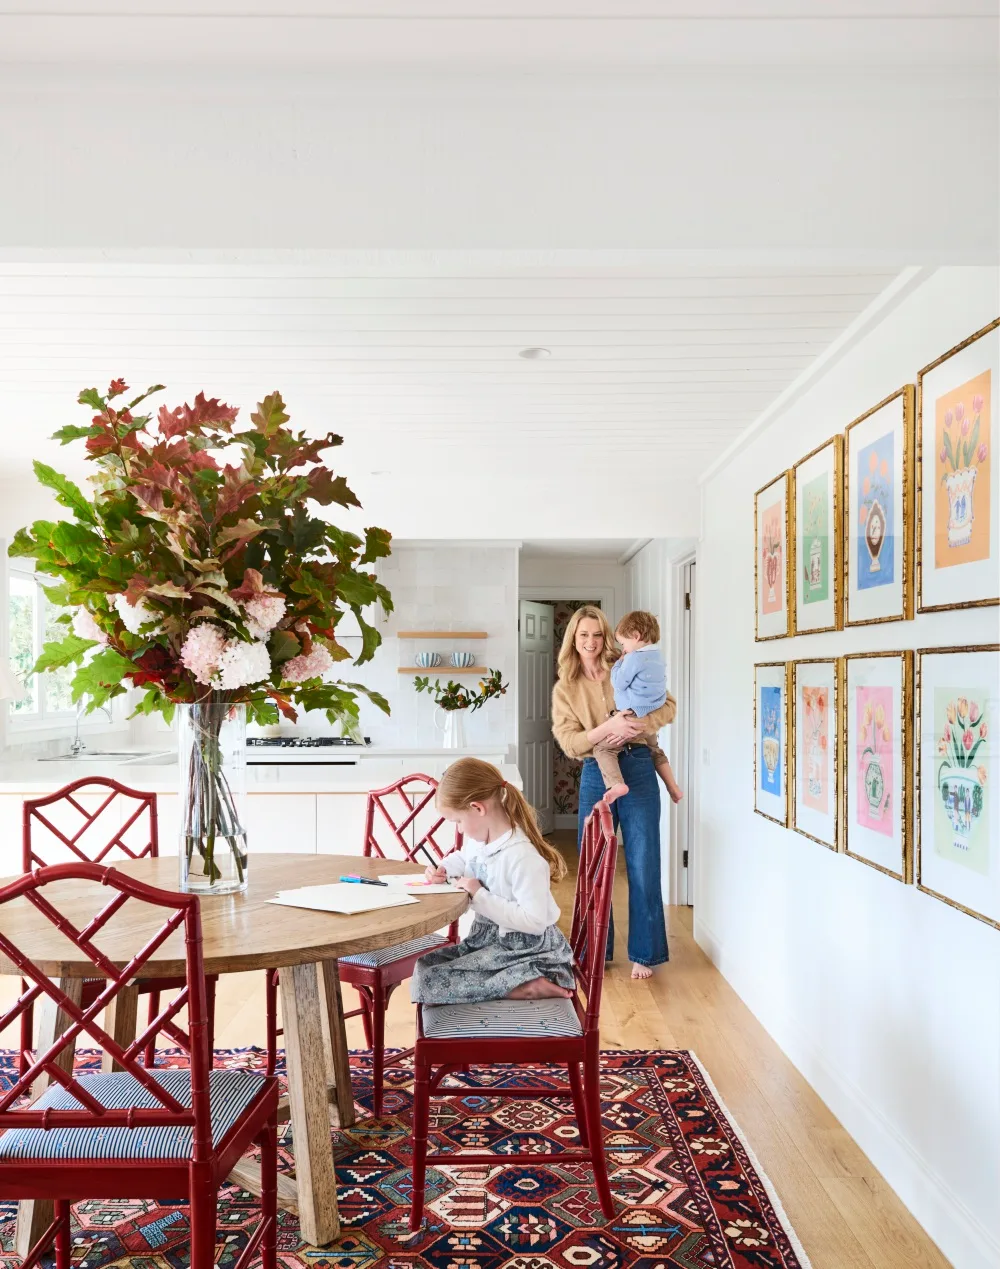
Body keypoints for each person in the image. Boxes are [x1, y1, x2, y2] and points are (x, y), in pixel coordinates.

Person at [551, 604, 676, 981]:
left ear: (606, 637)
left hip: (638, 765)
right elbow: (569, 742)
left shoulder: (628, 663)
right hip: (596, 771)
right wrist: (605, 731)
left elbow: (667, 706)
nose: (590, 641)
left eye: (597, 634)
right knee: (592, 863)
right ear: (573, 638)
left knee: (643, 860)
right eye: (583, 634)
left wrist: (632, 726)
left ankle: (646, 953)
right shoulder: (566, 688)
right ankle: (592, 951)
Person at [411, 757, 576, 1004]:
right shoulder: (479, 842)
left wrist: (480, 895)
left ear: (478, 808)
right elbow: (464, 857)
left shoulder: (523, 857)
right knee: (425, 966)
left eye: (457, 821)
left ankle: (525, 985)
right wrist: (443, 868)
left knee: (431, 981)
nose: (458, 830)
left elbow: (534, 921)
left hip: (523, 948)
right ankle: (515, 981)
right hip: (487, 941)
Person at [592, 610, 684, 805]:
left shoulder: (633, 659)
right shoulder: (658, 656)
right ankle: (673, 786)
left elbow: (619, 683)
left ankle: (616, 784)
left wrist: (618, 664)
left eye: (624, 643)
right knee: (655, 749)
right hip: (651, 713)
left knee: (603, 749)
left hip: (632, 716)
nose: (623, 649)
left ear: (636, 636)